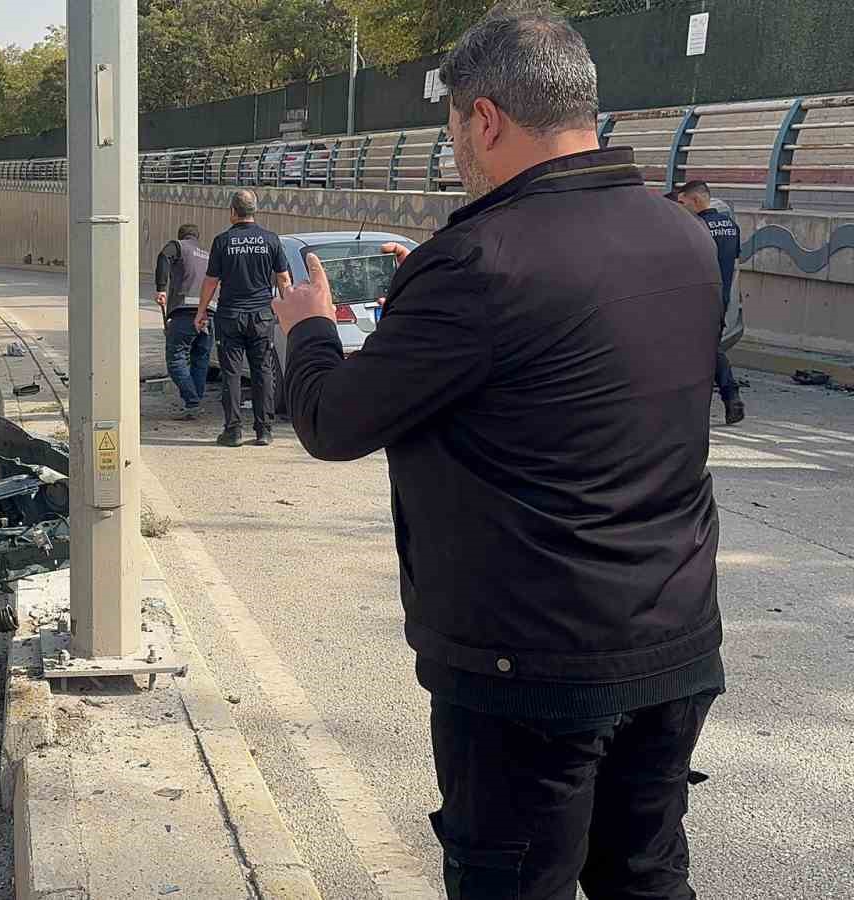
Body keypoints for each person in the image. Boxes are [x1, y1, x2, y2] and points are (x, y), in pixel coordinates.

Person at [275, 8, 724, 900]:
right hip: (673, 640)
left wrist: (311, 329)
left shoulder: (475, 263)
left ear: (485, 118)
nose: (455, 151)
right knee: (646, 879)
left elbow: (333, 423)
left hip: (532, 670)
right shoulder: (683, 237)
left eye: (453, 129)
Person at [193, 189, 290, 447]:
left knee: (232, 373)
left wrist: (201, 311)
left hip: (230, 316)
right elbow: (283, 279)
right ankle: (264, 430)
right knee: (263, 371)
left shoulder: (222, 241)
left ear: (233, 212)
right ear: (254, 210)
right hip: (261, 317)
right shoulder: (271, 239)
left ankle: (233, 431)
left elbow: (211, 281)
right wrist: (288, 310)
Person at [677, 180, 747, 424]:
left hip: (696, 298)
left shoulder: (695, 226)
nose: (680, 207)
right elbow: (733, 261)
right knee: (710, 348)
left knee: (694, 350)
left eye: (682, 202)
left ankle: (720, 398)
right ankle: (730, 397)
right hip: (721, 297)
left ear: (695, 200)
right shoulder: (731, 226)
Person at [154, 224, 215, 419]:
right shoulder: (208, 256)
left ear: (181, 236)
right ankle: (193, 405)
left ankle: (192, 401)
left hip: (185, 313)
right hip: (209, 314)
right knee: (200, 359)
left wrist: (161, 288)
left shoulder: (179, 246)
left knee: (176, 359)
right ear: (197, 237)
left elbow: (164, 256)